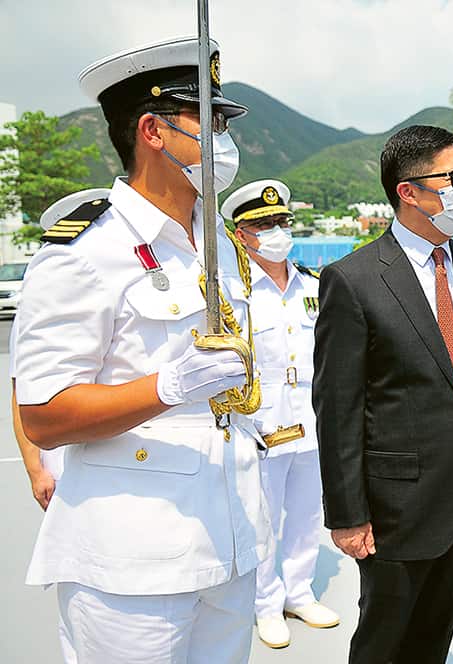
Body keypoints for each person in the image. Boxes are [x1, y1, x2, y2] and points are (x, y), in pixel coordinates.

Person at [15, 38, 272, 663]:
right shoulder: (86, 250)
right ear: (153, 130)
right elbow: (43, 416)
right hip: (132, 568)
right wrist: (167, 386)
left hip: (231, 544)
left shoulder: (216, 242)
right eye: (208, 120)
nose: (222, 138)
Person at [312, 124, 453, 664]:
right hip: (394, 509)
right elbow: (338, 410)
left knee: (436, 634)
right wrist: (347, 513)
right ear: (408, 192)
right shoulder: (353, 280)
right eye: (452, 177)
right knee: (384, 642)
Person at [222, 180, 340, 649]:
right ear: (241, 233)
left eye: (281, 222)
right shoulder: (232, 292)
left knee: (308, 513)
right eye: (263, 224)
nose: (275, 231)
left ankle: (299, 591)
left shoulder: (312, 286)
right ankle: (266, 603)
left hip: (311, 419)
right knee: (262, 519)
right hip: (261, 423)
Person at [11, 189, 110, 511]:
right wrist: (35, 470)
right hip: (65, 462)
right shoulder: (39, 309)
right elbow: (22, 393)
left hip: (126, 459)